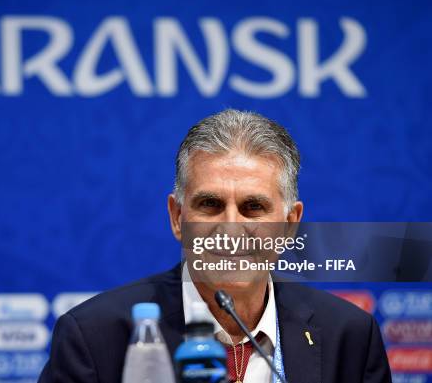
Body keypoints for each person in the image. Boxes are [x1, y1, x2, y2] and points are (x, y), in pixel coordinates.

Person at [38, 109, 392, 383]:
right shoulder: (94, 337)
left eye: (253, 208)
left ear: (289, 225)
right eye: (210, 205)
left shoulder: (349, 337)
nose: (231, 228)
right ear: (178, 217)